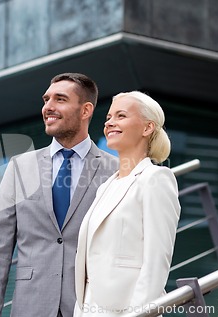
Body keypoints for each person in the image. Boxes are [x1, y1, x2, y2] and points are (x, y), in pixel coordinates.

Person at [0, 73, 119, 317]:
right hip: (31, 306)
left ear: (85, 110)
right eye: (46, 99)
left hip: (90, 308)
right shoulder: (20, 168)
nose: (48, 107)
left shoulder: (115, 170)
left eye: (60, 99)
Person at [74, 91, 181, 316]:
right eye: (108, 118)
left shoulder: (155, 179)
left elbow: (156, 262)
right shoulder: (106, 187)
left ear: (147, 127)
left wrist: (139, 313)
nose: (110, 122)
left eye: (121, 116)